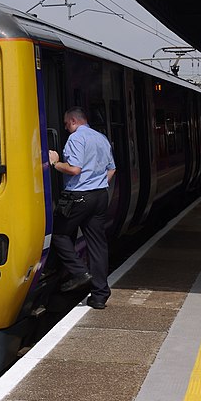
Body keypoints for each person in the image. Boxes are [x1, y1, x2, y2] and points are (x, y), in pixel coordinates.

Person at [48, 107, 116, 310]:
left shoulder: (76, 138)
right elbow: (112, 168)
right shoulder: (101, 137)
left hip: (78, 196)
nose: (66, 127)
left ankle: (79, 272)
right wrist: (99, 184)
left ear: (73, 120)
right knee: (97, 244)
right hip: (100, 195)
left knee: (59, 234)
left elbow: (74, 169)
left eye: (67, 124)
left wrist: (55, 163)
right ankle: (99, 295)